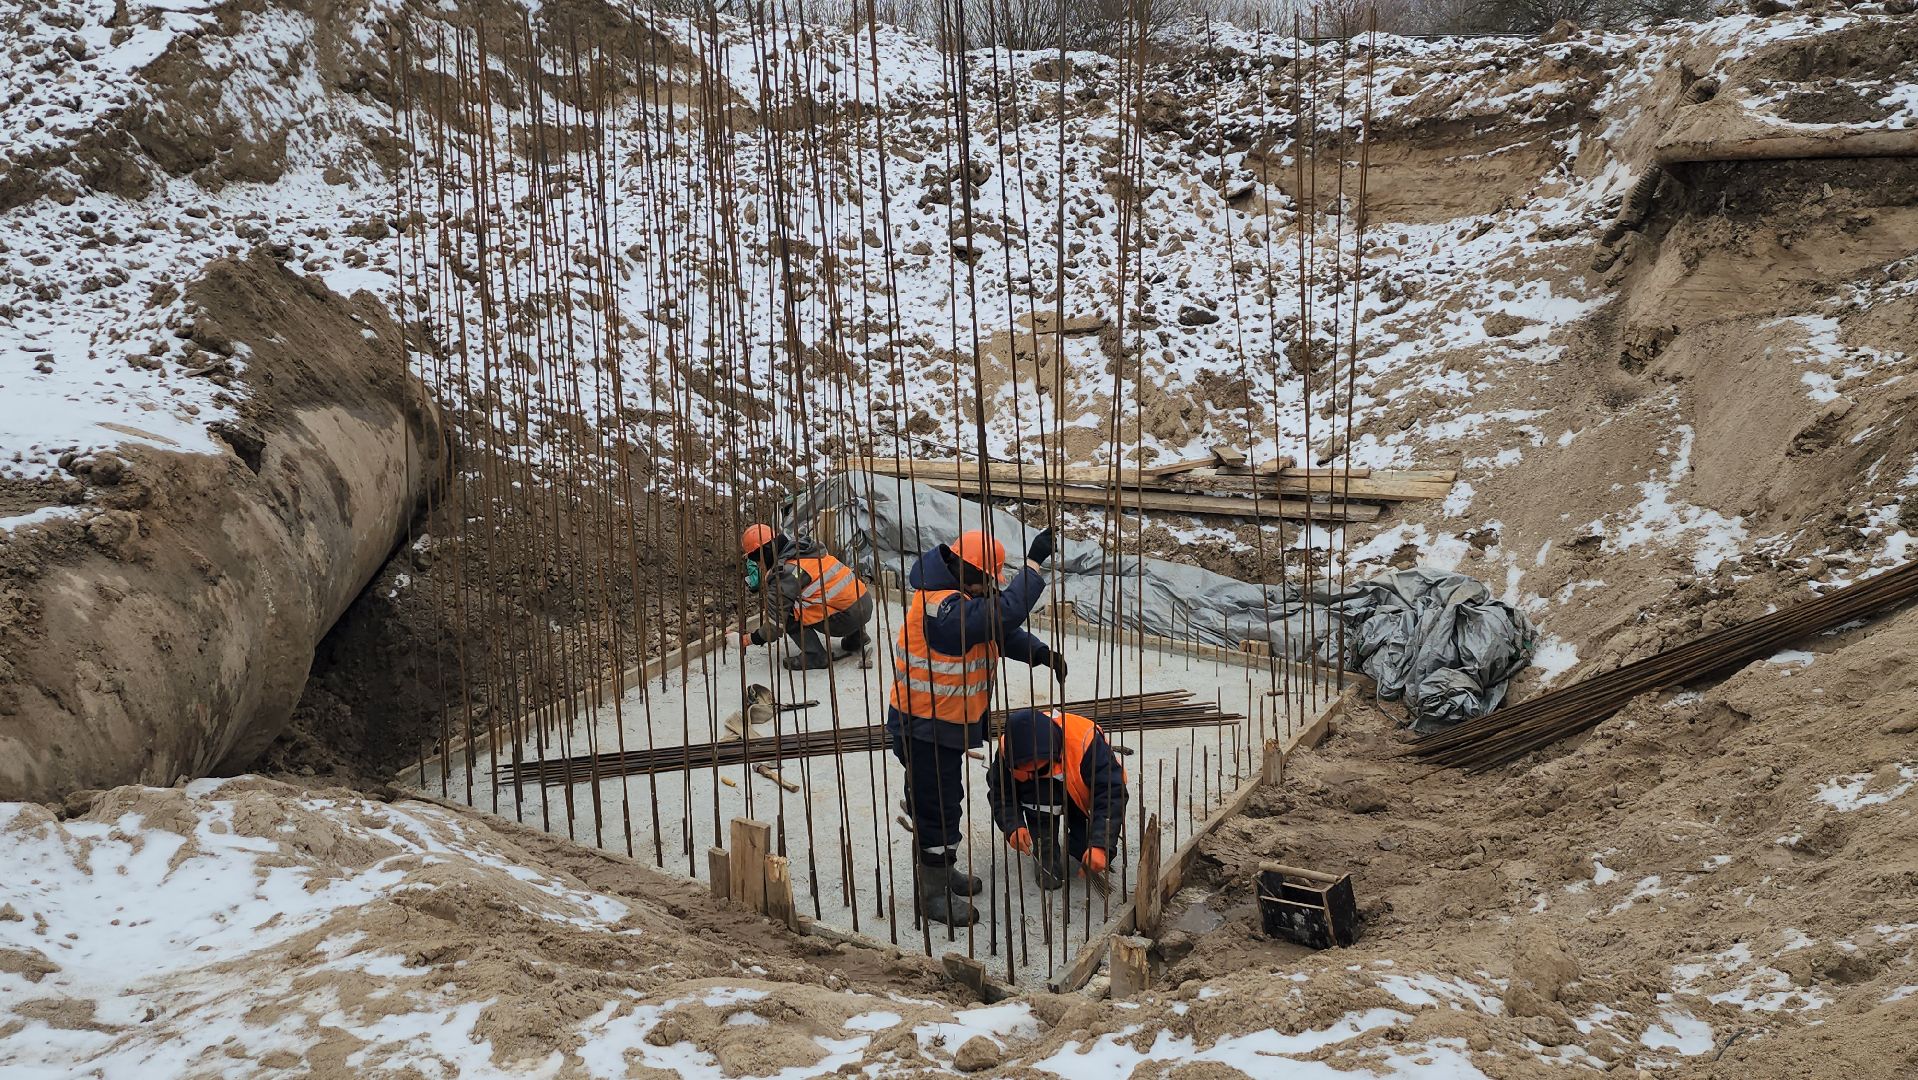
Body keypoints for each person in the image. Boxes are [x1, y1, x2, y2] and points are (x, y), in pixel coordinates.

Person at [888, 526, 1066, 927]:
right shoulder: (940, 607)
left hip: (942, 725)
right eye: (990, 580)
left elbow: (997, 629)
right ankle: (931, 895)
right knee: (937, 809)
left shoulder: (962, 599)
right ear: (969, 572)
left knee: (942, 802)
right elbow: (998, 614)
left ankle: (942, 871)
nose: (993, 588)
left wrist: (1040, 653)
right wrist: (1034, 566)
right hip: (922, 727)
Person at [988, 707, 1128, 890]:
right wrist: (1013, 825)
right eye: (1026, 772)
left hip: (1080, 794)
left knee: (1088, 850)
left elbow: (1111, 795)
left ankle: (1080, 840)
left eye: (1040, 770)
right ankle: (1046, 851)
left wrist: (1101, 844)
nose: (1034, 776)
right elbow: (1000, 793)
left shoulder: (1085, 742)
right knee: (1039, 799)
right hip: (1041, 801)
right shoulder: (1009, 750)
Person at [738, 523, 873, 671]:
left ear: (765, 553)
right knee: (834, 594)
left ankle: (815, 655)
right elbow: (801, 575)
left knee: (788, 613)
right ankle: (857, 637)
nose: (759, 565)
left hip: (846, 618)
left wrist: (748, 639)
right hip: (865, 603)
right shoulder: (806, 551)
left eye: (757, 560)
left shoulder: (785, 574)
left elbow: (775, 626)